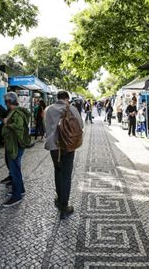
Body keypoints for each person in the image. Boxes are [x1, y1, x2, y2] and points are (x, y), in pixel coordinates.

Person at [45, 91, 84, 219]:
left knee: (58, 171)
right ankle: (64, 207)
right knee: (66, 175)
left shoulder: (49, 109)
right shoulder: (71, 108)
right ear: (67, 99)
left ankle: (59, 198)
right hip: (68, 146)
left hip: (54, 146)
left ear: (57, 98)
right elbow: (81, 125)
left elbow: (47, 127)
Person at [1, 92, 31, 207]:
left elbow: (19, 128)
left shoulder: (16, 113)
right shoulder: (17, 111)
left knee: (14, 170)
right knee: (16, 168)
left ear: (8, 102)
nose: (5, 103)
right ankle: (20, 190)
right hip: (16, 144)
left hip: (15, 145)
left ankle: (16, 195)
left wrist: (7, 123)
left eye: (5, 101)